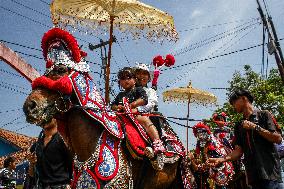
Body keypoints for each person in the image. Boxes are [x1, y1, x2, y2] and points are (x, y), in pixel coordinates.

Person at [208, 89, 283, 189]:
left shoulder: (264, 115)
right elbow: (238, 152)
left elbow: (277, 138)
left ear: (244, 98)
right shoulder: (239, 126)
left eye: (234, 102)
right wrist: (222, 159)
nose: (233, 105)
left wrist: (255, 127)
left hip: (271, 173)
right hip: (253, 177)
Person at [111, 67, 165, 156]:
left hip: (137, 114)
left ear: (134, 80)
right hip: (121, 115)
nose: (126, 80)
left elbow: (144, 99)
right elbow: (112, 105)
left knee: (145, 120)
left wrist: (132, 106)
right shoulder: (120, 95)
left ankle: (157, 142)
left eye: (129, 77)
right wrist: (117, 107)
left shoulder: (139, 90)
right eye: (123, 78)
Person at [26, 118, 72, 189]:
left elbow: (72, 167)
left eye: (48, 116)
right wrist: (32, 163)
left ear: (56, 118)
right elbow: (31, 175)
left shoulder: (64, 141)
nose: (44, 118)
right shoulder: (36, 146)